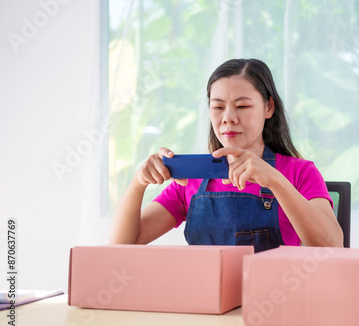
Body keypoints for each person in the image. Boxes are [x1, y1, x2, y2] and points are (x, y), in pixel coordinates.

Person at [110, 58, 343, 251]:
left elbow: (332, 246)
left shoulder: (300, 172)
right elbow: (122, 246)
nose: (228, 117)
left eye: (242, 106)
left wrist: (275, 180)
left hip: (275, 300)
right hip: (206, 302)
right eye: (218, 106)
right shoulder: (191, 180)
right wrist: (138, 182)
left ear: (269, 107)